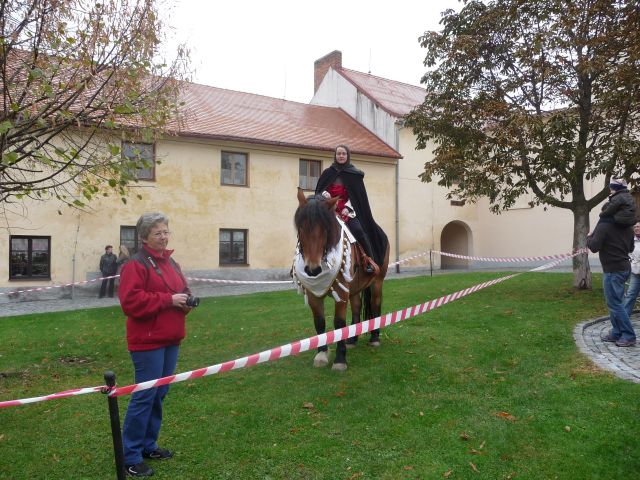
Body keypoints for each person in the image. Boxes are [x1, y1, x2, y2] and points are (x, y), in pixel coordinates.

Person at [118, 212, 193, 477]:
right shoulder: (135, 265)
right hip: (147, 342)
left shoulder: (170, 261)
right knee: (144, 396)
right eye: (157, 233)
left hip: (171, 338)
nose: (163, 237)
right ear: (144, 237)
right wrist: (168, 300)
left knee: (159, 395)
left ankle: (148, 445)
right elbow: (131, 302)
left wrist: (186, 299)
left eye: (165, 232)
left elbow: (182, 288)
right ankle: (130, 456)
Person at [315, 144, 388, 274]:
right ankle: (312, 262)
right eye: (339, 154)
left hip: (347, 210)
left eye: (344, 154)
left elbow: (358, 197)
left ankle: (369, 262)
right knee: (314, 230)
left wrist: (348, 208)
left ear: (348, 156)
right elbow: (319, 192)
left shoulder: (355, 174)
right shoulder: (327, 173)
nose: (341, 156)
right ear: (335, 156)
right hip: (329, 210)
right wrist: (324, 195)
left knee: (358, 230)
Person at [587, 215, 637, 348]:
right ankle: (616, 332)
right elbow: (631, 248)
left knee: (615, 304)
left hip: (612, 270)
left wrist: (589, 236)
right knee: (616, 303)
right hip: (624, 268)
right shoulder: (627, 227)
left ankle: (628, 335)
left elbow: (593, 246)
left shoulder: (603, 226)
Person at [624, 222, 640, 316]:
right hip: (635, 272)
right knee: (631, 295)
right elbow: (627, 253)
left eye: (638, 227)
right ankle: (624, 318)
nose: (636, 228)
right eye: (635, 227)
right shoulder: (631, 240)